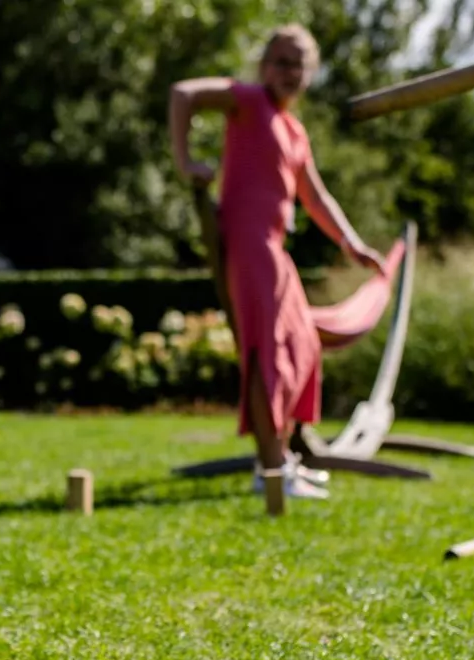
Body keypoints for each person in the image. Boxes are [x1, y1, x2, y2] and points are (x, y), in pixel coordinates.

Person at [169, 25, 386, 500]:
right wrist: (186, 163)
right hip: (249, 244)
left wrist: (352, 243)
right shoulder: (246, 101)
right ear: (265, 66)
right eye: (281, 62)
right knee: (266, 353)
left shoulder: (294, 130)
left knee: (301, 347)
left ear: (309, 75)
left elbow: (315, 194)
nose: (289, 72)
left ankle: (281, 458)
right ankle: (270, 471)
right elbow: (183, 93)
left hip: (275, 248)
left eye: (299, 65)